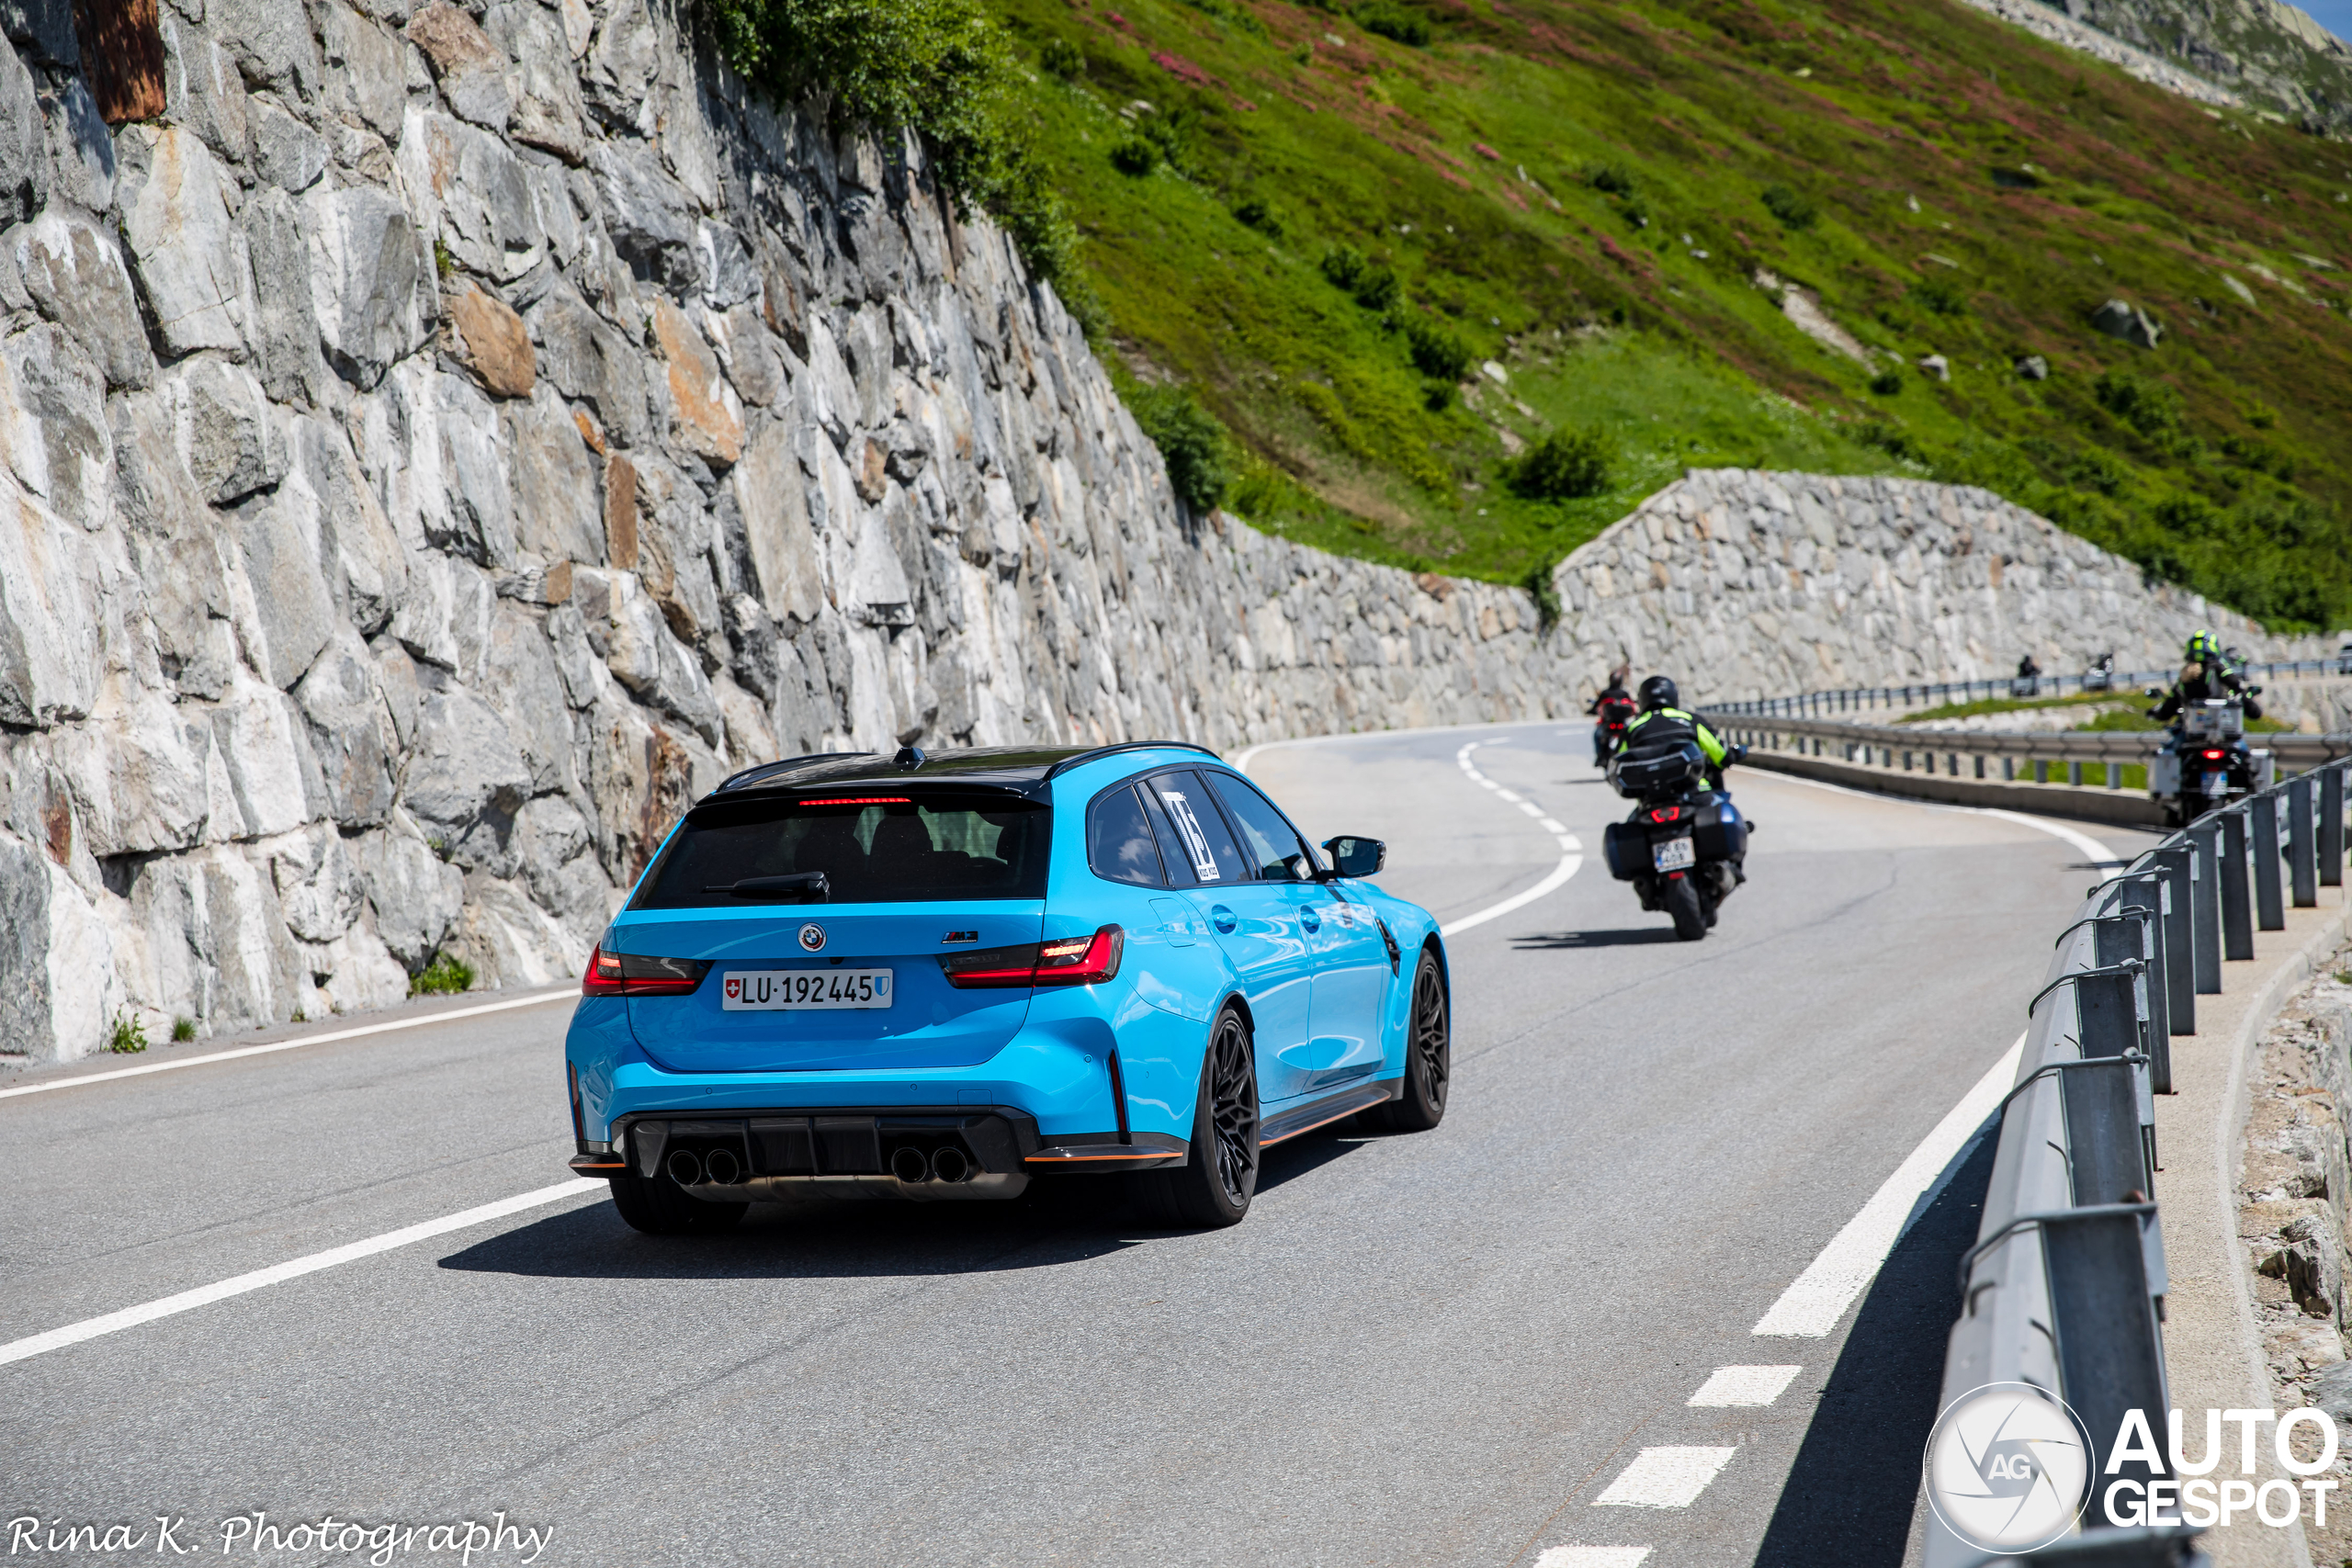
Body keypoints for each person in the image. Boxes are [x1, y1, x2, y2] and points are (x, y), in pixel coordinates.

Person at [1615, 675, 1732, 788]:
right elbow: (1721, 755)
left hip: (1650, 797)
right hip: (1693, 793)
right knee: (1725, 808)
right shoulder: (1690, 720)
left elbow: (1617, 766)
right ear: (1673, 696)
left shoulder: (1632, 728)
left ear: (1642, 699)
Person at [2151, 629, 2263, 722]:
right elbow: (2237, 685)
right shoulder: (2219, 668)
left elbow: (2169, 706)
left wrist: (2156, 713)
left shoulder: (2184, 676)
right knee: (2240, 746)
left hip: (2191, 732)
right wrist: (2253, 709)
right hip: (2222, 726)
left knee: (2172, 745)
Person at [1587, 662, 1637, 765]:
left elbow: (1596, 705)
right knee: (1631, 735)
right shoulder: (1624, 693)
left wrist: (1591, 710)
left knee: (1597, 735)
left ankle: (1600, 756)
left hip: (1608, 722)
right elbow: (1632, 704)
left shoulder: (1606, 693)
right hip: (1622, 723)